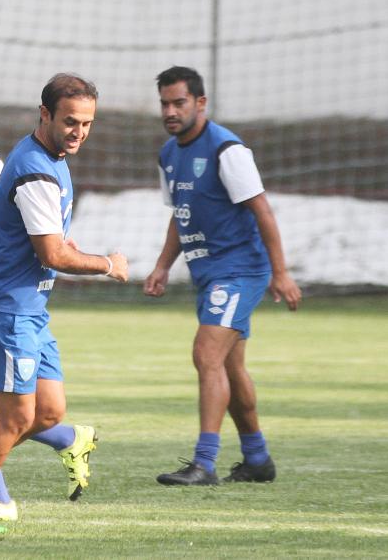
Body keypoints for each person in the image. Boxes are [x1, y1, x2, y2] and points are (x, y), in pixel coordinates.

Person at [0, 73, 128, 533]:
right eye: (70, 121)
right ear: (45, 115)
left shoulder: (50, 159)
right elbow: (52, 254)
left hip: (30, 308)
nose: (79, 132)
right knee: (16, 416)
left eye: (87, 124)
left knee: (49, 411)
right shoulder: (36, 168)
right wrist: (107, 265)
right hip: (4, 308)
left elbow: (24, 217)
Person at [144, 66, 301, 486]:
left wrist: (280, 273)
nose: (171, 111)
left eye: (179, 102)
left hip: (240, 271)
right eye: (165, 103)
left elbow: (262, 210)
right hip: (208, 274)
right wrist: (162, 265)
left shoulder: (226, 150)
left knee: (205, 355)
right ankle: (257, 458)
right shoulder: (168, 154)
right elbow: (181, 215)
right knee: (231, 371)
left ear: (200, 103)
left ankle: (204, 463)